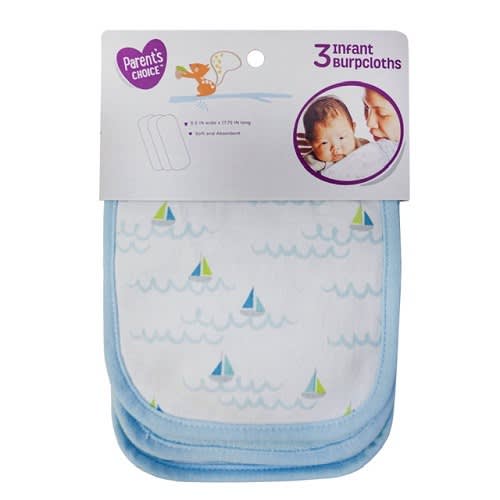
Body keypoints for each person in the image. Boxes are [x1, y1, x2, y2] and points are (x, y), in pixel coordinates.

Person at [301, 96, 369, 172]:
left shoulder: (364, 146)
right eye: (324, 143)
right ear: (310, 143)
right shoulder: (312, 163)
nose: (336, 148)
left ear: (353, 129)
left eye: (341, 138)